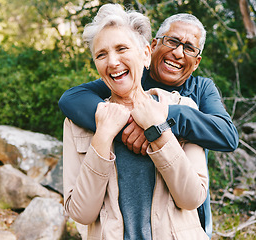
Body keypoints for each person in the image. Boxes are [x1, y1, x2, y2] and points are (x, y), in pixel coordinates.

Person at [59, 8, 239, 239]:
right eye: (172, 41)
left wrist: (161, 121)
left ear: (197, 62)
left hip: (186, 219)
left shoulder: (198, 93)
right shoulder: (123, 75)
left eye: (189, 48)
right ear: (152, 48)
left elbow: (227, 136)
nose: (178, 52)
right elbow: (70, 98)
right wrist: (113, 128)